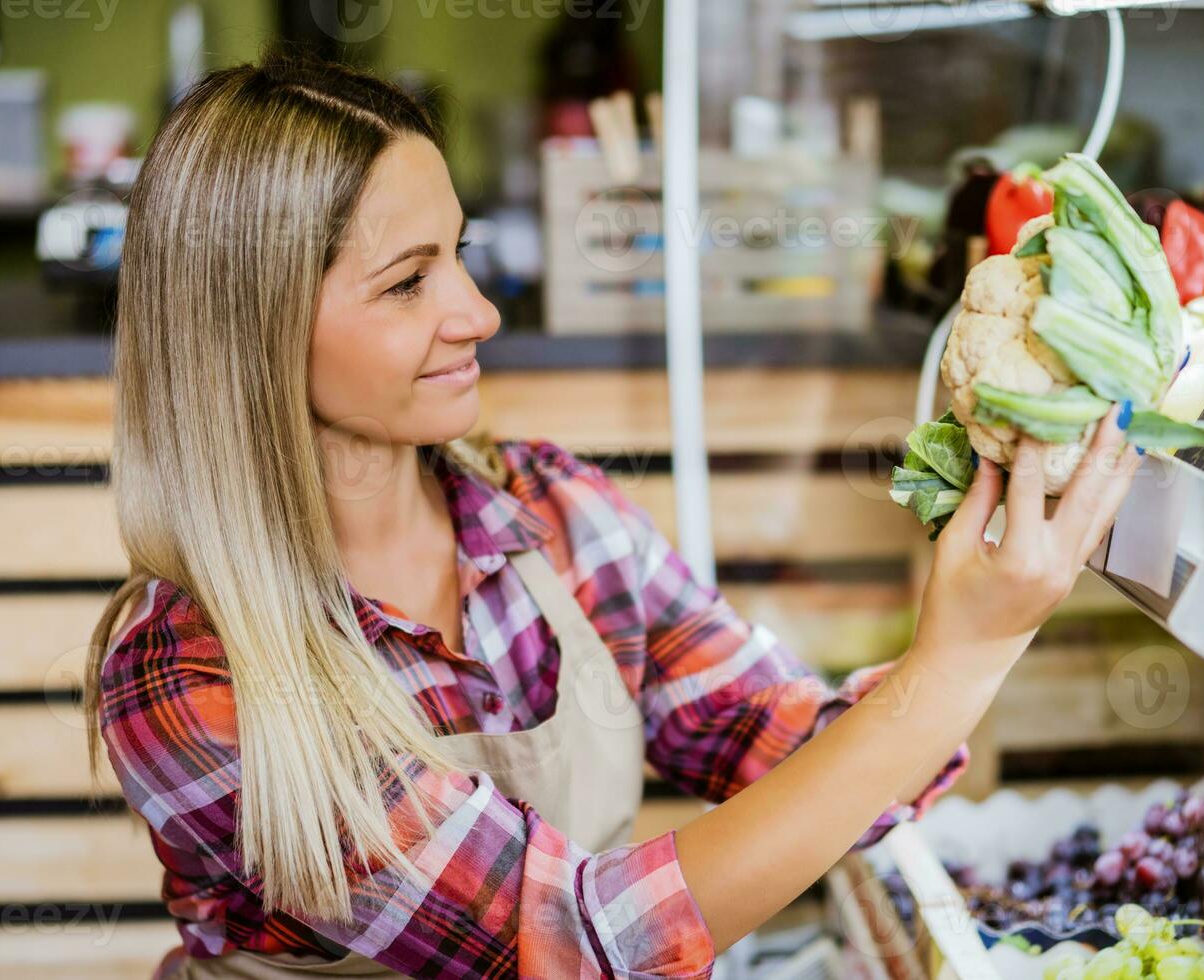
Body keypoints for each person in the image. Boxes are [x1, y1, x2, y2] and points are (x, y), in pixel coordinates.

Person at [85, 48, 1140, 980]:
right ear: (253, 335)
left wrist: (976, 590)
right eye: (409, 281)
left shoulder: (553, 513)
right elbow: (570, 943)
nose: (479, 313)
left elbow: (789, 749)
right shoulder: (190, 676)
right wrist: (955, 664)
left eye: (460, 250)